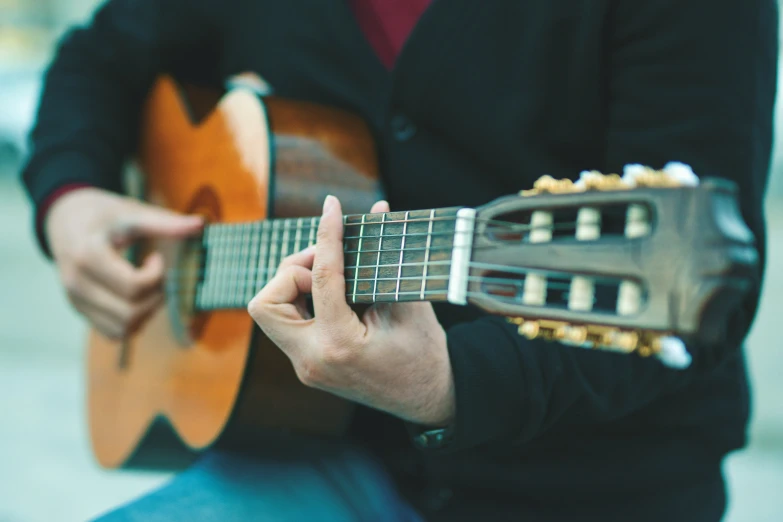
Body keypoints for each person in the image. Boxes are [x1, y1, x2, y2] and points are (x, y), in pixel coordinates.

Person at [21, 0, 778, 520]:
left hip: (582, 490)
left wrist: (446, 384)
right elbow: (99, 57)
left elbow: (700, 290)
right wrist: (70, 199)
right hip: (303, 454)